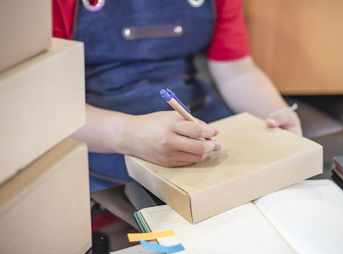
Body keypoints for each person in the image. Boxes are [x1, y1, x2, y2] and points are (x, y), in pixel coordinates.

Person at [53, 0, 302, 193]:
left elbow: (235, 70)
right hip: (100, 133)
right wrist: (128, 134)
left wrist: (274, 111)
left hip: (199, 119)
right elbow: (51, 105)